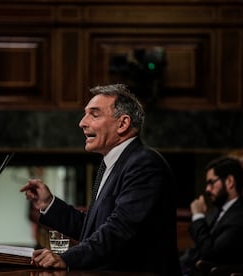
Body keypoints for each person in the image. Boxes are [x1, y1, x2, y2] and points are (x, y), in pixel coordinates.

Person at [20, 83, 181, 275]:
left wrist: (66, 258)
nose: (82, 123)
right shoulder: (111, 163)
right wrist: (48, 203)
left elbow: (119, 231)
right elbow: (93, 228)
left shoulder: (145, 164)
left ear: (122, 124)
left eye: (94, 114)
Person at [179, 156, 243, 275]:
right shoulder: (220, 210)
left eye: (211, 183)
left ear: (229, 181)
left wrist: (198, 216)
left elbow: (209, 253)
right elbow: (198, 247)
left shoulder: (241, 218)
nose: (207, 189)